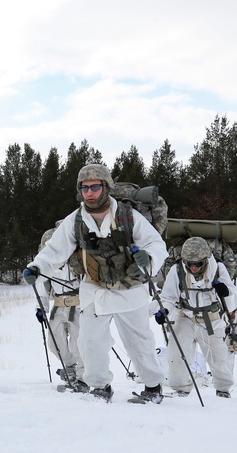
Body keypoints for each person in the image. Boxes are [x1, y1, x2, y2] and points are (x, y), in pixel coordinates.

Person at [24, 164, 167, 403]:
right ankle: (100, 387)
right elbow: (55, 250)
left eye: (95, 187)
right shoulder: (75, 220)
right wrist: (37, 268)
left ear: (106, 187)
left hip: (130, 289)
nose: (89, 192)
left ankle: (153, 387)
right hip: (94, 290)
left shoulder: (128, 215)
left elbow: (156, 244)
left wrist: (149, 258)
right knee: (90, 341)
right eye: (85, 187)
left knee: (138, 342)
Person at [156, 237, 237, 398]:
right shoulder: (177, 270)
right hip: (185, 317)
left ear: (206, 260)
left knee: (218, 359)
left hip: (211, 320)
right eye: (189, 264)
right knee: (175, 354)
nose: (193, 268)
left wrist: (225, 292)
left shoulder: (218, 269)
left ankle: (223, 389)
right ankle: (181, 388)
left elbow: (233, 300)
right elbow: (168, 297)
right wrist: (164, 310)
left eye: (198, 264)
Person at [35, 226, 87, 391]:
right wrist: (40, 308)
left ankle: (83, 378)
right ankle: (69, 368)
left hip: (79, 306)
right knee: (54, 343)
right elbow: (41, 285)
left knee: (78, 345)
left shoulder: (79, 260)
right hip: (58, 307)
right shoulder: (48, 265)